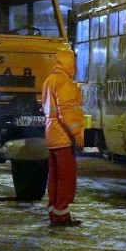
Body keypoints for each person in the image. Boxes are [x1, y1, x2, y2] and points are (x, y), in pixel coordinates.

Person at [41, 49, 85, 227]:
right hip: (63, 136)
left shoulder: (49, 81)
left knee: (54, 177)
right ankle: (62, 215)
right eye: (73, 62)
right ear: (68, 63)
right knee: (66, 177)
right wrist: (76, 133)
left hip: (51, 135)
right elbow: (66, 110)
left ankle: (54, 211)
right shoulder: (63, 82)